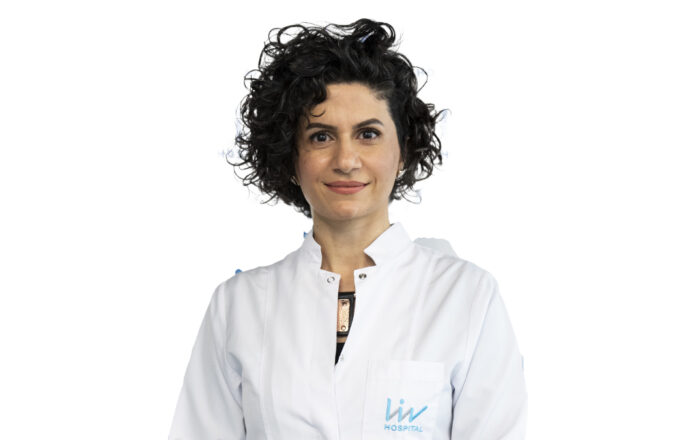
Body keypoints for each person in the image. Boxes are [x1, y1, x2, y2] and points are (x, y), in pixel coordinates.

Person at [168, 18, 527, 439]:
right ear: (290, 156)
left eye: (368, 134)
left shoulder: (466, 297)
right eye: (321, 137)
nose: (346, 160)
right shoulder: (239, 306)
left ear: (403, 151)